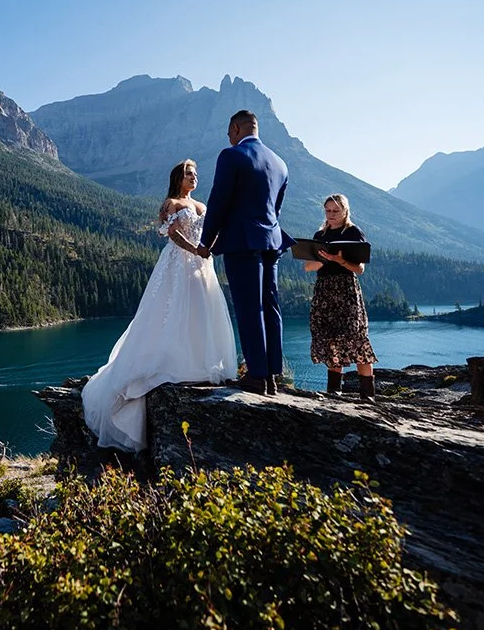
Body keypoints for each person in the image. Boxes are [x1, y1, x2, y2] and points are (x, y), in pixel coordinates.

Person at [82, 159, 238, 453]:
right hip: (179, 264)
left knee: (201, 310)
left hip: (202, 265)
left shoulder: (201, 205)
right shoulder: (171, 204)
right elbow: (173, 234)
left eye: (195, 174)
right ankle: (171, 363)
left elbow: (210, 230)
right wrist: (196, 250)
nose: (193, 178)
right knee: (172, 309)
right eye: (188, 174)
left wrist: (210, 247)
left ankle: (200, 362)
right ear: (178, 177)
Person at [196, 110, 292, 396]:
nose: (229, 138)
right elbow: (276, 209)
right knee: (270, 306)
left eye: (229, 133)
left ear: (236, 129)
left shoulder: (232, 155)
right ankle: (272, 375)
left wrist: (206, 241)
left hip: (242, 241)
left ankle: (256, 376)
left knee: (249, 307)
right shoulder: (280, 163)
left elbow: (219, 200)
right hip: (271, 241)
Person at [303, 193, 378, 401]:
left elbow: (360, 269)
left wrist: (340, 261)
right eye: (328, 210)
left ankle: (367, 395)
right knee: (330, 338)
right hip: (324, 290)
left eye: (336, 210)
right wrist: (325, 260)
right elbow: (308, 267)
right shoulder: (319, 236)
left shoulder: (354, 233)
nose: (331, 214)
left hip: (346, 290)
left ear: (345, 211)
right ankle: (334, 392)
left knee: (357, 337)